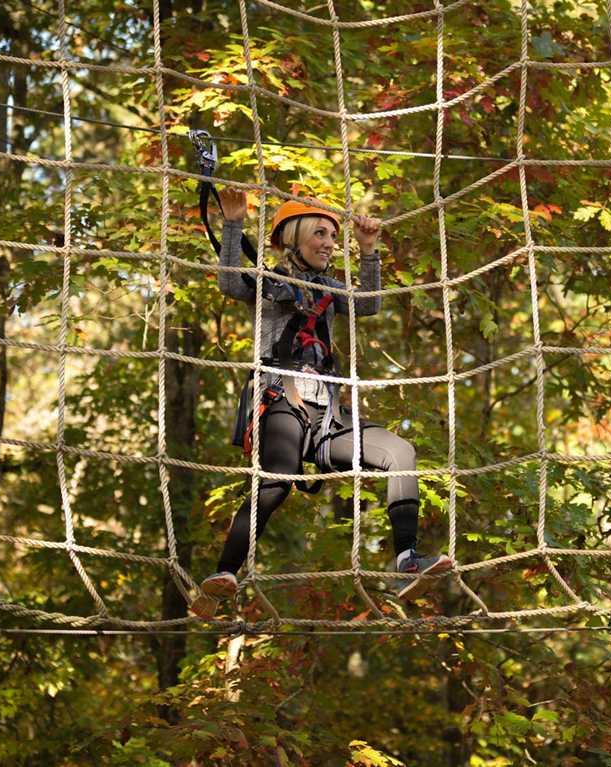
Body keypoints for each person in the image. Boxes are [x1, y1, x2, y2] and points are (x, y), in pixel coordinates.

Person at [191, 188, 451, 619]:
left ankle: (407, 558)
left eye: (333, 235)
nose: (330, 242)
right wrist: (234, 223)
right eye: (320, 233)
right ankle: (224, 574)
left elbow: (369, 305)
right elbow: (228, 282)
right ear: (292, 238)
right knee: (277, 479)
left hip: (326, 414)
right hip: (280, 399)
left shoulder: (330, 288)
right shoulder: (270, 284)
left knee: (400, 452)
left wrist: (369, 251)